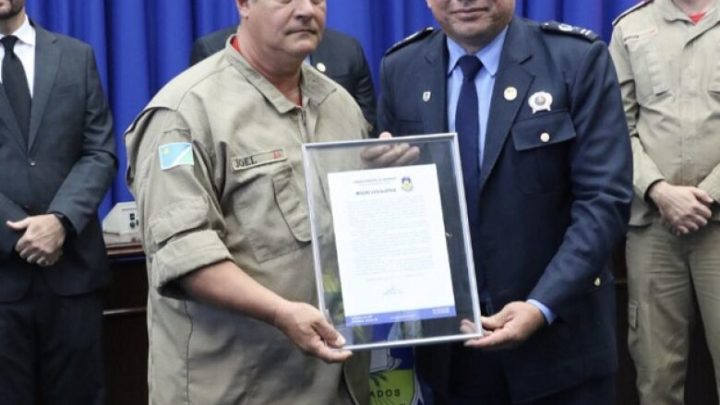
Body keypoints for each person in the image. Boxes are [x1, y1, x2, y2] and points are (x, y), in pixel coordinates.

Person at [377, 0, 634, 403]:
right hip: (454, 354)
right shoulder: (401, 68)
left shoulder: (575, 59)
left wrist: (541, 305)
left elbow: (605, 200)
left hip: (560, 344)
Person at [124, 0, 370, 403]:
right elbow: (185, 258)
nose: (307, 10)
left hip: (337, 383)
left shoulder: (339, 104)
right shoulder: (184, 113)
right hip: (238, 386)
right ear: (243, 5)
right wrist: (280, 312)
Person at [0, 0, 117, 403]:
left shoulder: (75, 55)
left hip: (72, 276)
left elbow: (100, 152)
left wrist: (59, 222)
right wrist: (15, 230)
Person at [609, 0, 720, 403]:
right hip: (653, 226)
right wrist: (658, 189)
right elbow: (615, 126)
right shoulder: (630, 27)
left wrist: (707, 195)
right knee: (655, 372)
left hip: (719, 224)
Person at [191, 24, 376, 129]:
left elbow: (367, 132)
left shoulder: (348, 50)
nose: (303, 9)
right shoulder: (213, 50)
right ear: (245, 5)